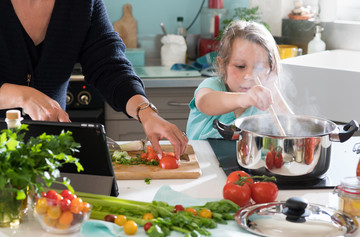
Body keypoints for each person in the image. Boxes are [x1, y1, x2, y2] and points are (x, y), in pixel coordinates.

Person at [0, 0, 187, 158]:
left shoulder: (83, 4)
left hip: (49, 155)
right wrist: (21, 96)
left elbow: (109, 65)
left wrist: (146, 112)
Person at [186, 20, 293, 140]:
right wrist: (245, 99)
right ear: (222, 65)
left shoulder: (264, 99)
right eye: (240, 66)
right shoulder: (213, 85)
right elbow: (205, 103)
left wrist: (272, 87)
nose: (249, 76)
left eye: (260, 67)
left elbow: (291, 128)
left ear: (271, 69)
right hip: (200, 157)